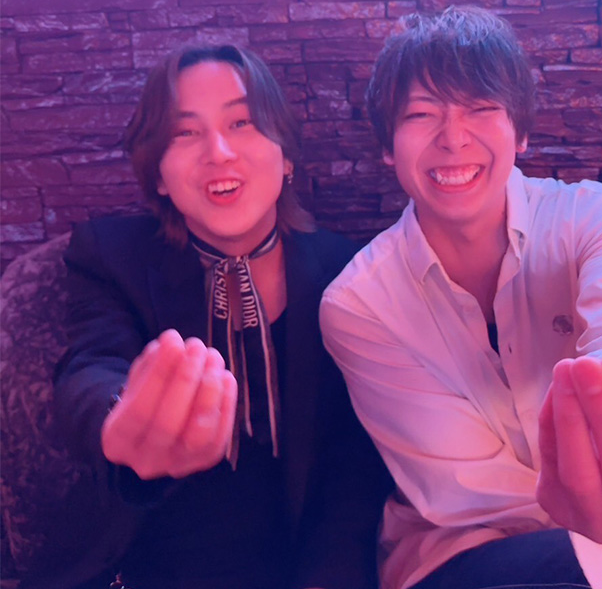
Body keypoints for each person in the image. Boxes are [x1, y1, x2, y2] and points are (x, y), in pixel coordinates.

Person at [319, 6, 602, 589]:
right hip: (461, 552)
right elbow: (461, 486)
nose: (453, 137)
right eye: (421, 113)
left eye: (481, 108)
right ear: (388, 146)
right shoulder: (358, 303)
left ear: (521, 130)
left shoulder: (594, 217)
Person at [51, 44, 390, 589]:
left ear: (286, 156)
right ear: (159, 175)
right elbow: (89, 367)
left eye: (242, 122)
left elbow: (354, 473)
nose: (219, 152)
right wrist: (123, 419)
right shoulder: (108, 256)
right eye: (185, 132)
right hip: (146, 566)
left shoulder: (347, 273)